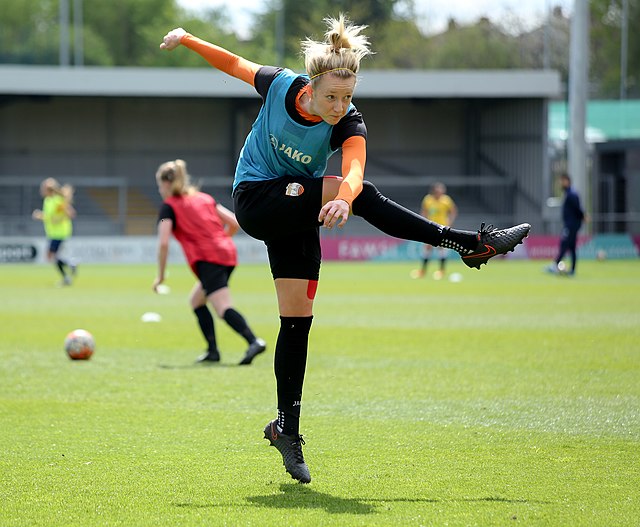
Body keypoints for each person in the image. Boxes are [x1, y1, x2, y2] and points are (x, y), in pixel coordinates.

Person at [160, 15, 530, 484]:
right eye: (331, 96)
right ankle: (468, 245)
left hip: (297, 214)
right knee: (359, 196)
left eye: (347, 97)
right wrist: (187, 38)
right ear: (310, 87)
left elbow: (354, 174)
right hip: (256, 199)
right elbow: (231, 62)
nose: (339, 106)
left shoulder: (348, 122)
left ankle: (286, 431)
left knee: (296, 325)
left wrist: (342, 197)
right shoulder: (278, 83)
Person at [152, 159, 266, 366]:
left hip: (208, 259)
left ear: (167, 184)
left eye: (160, 185)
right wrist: (220, 242)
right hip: (226, 253)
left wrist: (160, 276)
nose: (160, 190)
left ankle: (254, 341)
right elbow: (233, 222)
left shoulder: (167, 208)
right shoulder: (204, 198)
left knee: (222, 307)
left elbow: (163, 243)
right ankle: (212, 351)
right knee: (197, 301)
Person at [32, 177, 77, 286]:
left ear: (49, 190)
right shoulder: (48, 200)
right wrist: (43, 216)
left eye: (43, 188)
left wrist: (42, 217)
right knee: (53, 256)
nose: (41, 190)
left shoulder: (58, 200)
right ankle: (69, 268)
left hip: (60, 233)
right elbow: (50, 216)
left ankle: (70, 268)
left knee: (51, 256)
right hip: (53, 233)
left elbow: (71, 214)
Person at [411, 182, 458, 280]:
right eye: (438, 191)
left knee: (441, 248)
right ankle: (423, 271)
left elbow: (453, 211)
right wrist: (423, 223)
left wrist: (449, 222)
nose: (440, 192)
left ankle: (441, 271)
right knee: (427, 248)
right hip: (430, 227)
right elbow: (424, 211)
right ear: (434, 191)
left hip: (442, 228)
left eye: (441, 190)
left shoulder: (446, 200)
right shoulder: (428, 199)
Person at [547, 173, 585, 276]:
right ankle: (572, 270)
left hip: (571, 225)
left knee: (564, 244)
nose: (560, 183)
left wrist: (583, 216)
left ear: (567, 181)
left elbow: (578, 209)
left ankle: (555, 265)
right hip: (571, 224)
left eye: (562, 181)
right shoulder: (569, 193)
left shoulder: (572, 194)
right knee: (572, 247)